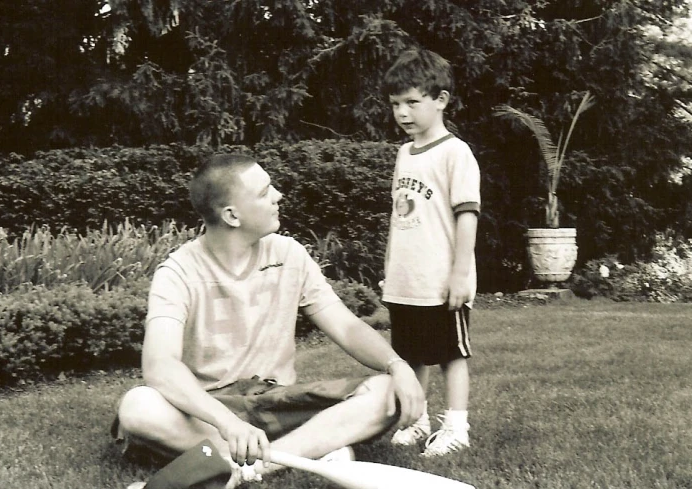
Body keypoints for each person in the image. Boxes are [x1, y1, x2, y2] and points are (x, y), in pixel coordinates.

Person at [113, 153, 425, 487]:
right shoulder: (177, 272)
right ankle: (305, 450)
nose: (278, 195)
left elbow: (346, 326)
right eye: (264, 192)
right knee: (138, 406)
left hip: (279, 402)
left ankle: (246, 467)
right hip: (208, 411)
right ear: (232, 215)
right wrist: (227, 423)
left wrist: (397, 365)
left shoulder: (289, 255)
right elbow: (160, 366)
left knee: (386, 391)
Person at [380, 48, 481, 457]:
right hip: (407, 280)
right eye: (395, 104)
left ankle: (457, 426)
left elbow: (467, 216)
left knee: (449, 355)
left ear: (440, 100)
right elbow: (399, 216)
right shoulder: (405, 153)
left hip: (442, 280)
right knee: (411, 353)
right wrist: (390, 268)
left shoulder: (455, 153)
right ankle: (418, 420)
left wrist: (460, 273)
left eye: (411, 102)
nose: (402, 113)